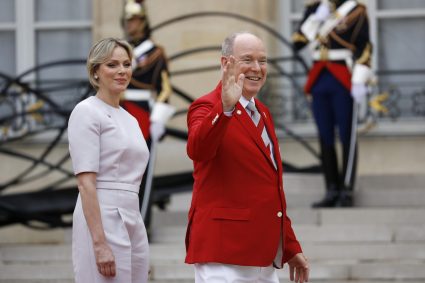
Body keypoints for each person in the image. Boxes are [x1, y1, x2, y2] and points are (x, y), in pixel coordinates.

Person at [185, 31, 309, 283]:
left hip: (262, 257)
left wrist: (290, 246)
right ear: (225, 64)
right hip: (223, 254)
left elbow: (269, 188)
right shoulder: (207, 106)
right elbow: (198, 149)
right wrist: (226, 108)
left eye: (262, 61)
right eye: (247, 60)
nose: (257, 68)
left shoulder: (262, 112)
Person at [68, 38, 150, 283]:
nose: (122, 71)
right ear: (96, 71)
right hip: (101, 215)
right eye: (112, 65)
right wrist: (99, 243)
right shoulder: (86, 111)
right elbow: (85, 183)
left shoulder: (131, 119)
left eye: (126, 64)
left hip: (132, 215)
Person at [292, 0, 373, 207]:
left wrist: (359, 79)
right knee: (325, 135)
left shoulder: (356, 11)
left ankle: (346, 189)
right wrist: (314, 19)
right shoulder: (313, 8)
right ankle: (331, 189)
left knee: (347, 134)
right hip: (319, 78)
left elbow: (364, 48)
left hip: (343, 79)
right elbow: (298, 43)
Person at [121, 0, 174, 226]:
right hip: (118, 110)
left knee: (141, 174)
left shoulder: (155, 53)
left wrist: (158, 119)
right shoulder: (119, 50)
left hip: (142, 113)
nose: (131, 25)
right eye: (128, 20)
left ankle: (141, 223)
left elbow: (164, 89)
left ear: (143, 22)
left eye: (135, 20)